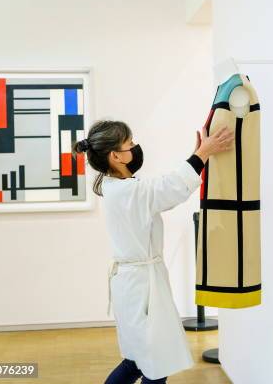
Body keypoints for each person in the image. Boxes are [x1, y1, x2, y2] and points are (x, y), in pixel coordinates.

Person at [72, 120, 234, 383]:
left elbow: (161, 188)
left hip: (133, 285)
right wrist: (202, 154)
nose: (135, 147)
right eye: (130, 143)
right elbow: (168, 188)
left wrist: (198, 155)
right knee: (154, 364)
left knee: (136, 360)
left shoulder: (115, 188)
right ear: (116, 156)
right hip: (141, 289)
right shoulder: (129, 192)